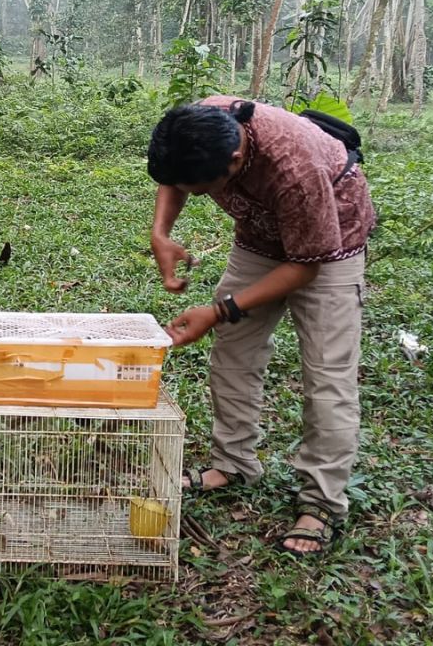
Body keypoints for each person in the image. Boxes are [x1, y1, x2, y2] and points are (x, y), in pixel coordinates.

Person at [146, 96, 376, 556]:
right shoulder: (200, 122)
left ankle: (321, 502)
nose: (195, 193)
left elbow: (304, 268)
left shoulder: (295, 169)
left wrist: (216, 311)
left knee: (328, 376)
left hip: (329, 250)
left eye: (203, 188)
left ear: (235, 159)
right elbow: (175, 178)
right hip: (259, 239)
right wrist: (161, 233)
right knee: (233, 349)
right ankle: (233, 463)